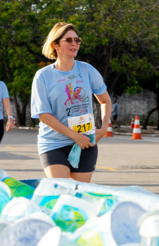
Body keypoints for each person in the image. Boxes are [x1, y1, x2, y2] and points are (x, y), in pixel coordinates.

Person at [31, 22, 112, 182]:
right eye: (68, 40)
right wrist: (74, 135)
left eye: (77, 40)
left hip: (85, 142)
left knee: (78, 194)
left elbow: (105, 101)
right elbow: (44, 116)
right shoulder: (43, 76)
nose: (74, 44)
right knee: (61, 190)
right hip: (54, 143)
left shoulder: (87, 70)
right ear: (55, 44)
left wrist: (103, 129)